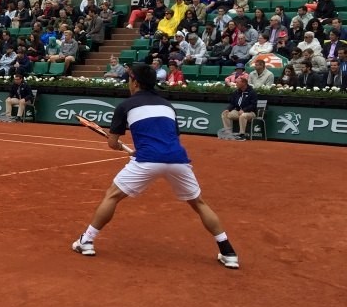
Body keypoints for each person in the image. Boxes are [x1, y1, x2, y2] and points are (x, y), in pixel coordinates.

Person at [71, 62, 239, 269]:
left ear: (135, 82)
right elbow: (171, 137)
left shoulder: (125, 106)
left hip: (147, 159)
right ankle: (228, 251)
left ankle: (86, 241)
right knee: (199, 203)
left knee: (112, 196)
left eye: (129, 79)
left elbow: (113, 143)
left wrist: (131, 149)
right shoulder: (167, 105)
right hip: (177, 159)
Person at [220, 75, 257, 140]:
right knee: (225, 114)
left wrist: (244, 110)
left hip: (251, 113)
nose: (236, 84)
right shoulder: (236, 92)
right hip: (238, 112)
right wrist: (228, 109)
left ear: (244, 83)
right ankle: (228, 134)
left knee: (243, 115)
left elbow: (253, 105)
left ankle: (242, 135)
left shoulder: (252, 92)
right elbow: (232, 104)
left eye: (237, 83)